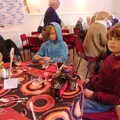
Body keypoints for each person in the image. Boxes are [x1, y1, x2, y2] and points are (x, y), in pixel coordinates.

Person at [82, 23, 120, 119]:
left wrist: (93, 95)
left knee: (73, 105)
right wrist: (89, 80)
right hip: (97, 92)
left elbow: (117, 99)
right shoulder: (110, 57)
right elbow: (100, 76)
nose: (112, 42)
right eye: (110, 39)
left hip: (103, 102)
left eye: (118, 39)